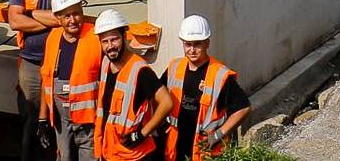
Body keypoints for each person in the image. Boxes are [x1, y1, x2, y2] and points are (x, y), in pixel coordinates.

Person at [1, 0, 76, 161]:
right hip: (31, 64)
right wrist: (51, 19)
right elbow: (14, 21)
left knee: (61, 120)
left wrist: (30, 13)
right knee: (30, 119)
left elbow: (65, 19)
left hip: (60, 63)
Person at [152, 17, 248, 161]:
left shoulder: (220, 75)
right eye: (188, 44)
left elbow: (243, 108)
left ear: (207, 43)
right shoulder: (174, 67)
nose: (192, 50)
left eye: (197, 45)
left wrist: (219, 134)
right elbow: (157, 97)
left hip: (205, 149)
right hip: (175, 145)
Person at [33, 0, 101, 161]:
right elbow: (46, 79)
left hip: (89, 122)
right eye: (67, 16)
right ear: (58, 18)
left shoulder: (95, 37)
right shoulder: (53, 38)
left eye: (76, 14)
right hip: (61, 121)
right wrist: (42, 118)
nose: (73, 20)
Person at [92, 20, 163, 161]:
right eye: (105, 42)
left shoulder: (140, 70)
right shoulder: (106, 63)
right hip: (110, 151)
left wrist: (142, 133)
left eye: (114, 40)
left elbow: (166, 102)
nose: (110, 46)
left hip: (134, 154)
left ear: (124, 37)